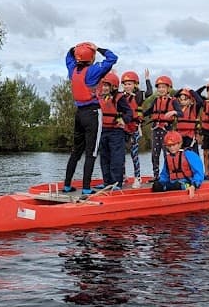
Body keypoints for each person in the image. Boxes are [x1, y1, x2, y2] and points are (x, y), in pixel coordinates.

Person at [63, 42, 117, 194]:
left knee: (75, 151)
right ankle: (86, 189)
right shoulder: (93, 70)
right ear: (91, 56)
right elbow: (112, 58)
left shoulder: (72, 69)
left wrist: (76, 48)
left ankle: (67, 185)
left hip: (79, 114)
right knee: (91, 151)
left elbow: (68, 56)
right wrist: (97, 48)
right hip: (92, 113)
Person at [98, 72, 135, 188]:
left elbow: (129, 113)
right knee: (104, 158)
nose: (103, 88)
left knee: (116, 158)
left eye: (106, 86)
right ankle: (106, 182)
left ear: (113, 86)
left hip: (116, 132)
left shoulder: (119, 98)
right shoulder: (99, 97)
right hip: (102, 131)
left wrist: (123, 120)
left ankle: (116, 183)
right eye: (103, 85)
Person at [142, 73, 181, 179]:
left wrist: (173, 112)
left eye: (163, 87)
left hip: (166, 130)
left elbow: (180, 113)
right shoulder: (156, 100)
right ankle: (156, 175)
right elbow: (149, 111)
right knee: (155, 154)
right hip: (155, 129)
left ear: (168, 88)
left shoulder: (173, 101)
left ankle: (168, 174)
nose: (161, 89)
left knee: (166, 153)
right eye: (159, 87)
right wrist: (140, 115)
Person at [152, 130, 205, 197]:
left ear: (179, 144)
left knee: (177, 186)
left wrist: (194, 185)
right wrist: (160, 184)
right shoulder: (168, 158)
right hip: (172, 184)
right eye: (169, 146)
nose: (172, 148)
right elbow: (164, 175)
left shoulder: (188, 154)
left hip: (187, 183)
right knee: (156, 186)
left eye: (174, 145)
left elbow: (199, 172)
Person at [119, 70, 148, 186]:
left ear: (135, 85)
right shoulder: (121, 97)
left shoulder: (139, 95)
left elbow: (150, 92)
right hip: (123, 128)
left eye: (129, 84)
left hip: (134, 128)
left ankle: (137, 177)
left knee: (134, 153)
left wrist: (147, 79)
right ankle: (123, 176)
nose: (127, 86)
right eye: (125, 84)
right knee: (120, 153)